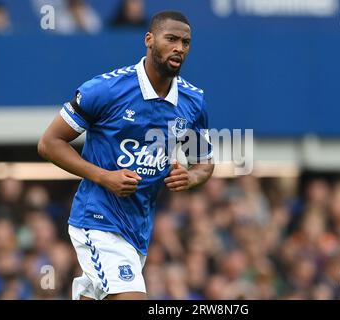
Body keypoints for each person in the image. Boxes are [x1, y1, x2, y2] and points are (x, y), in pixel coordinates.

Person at [38, 11, 214, 300]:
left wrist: (191, 175)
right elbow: (49, 143)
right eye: (171, 39)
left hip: (137, 231)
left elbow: (204, 162)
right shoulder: (106, 90)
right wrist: (104, 177)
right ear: (149, 39)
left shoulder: (192, 102)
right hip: (97, 220)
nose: (179, 48)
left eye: (186, 42)